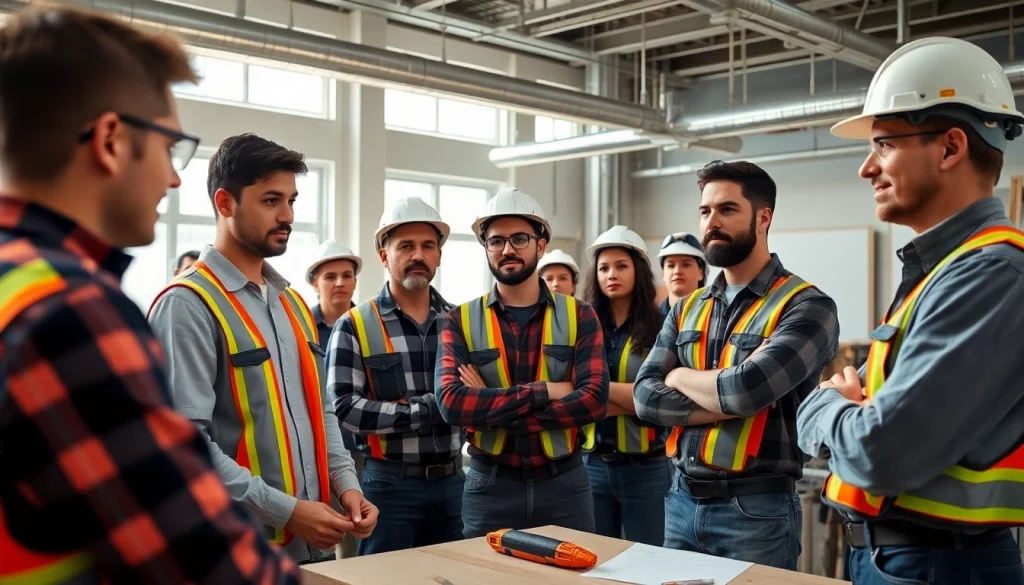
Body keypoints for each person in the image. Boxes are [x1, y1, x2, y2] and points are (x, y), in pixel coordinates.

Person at [0, 5, 300, 583]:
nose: (174, 177)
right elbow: (202, 561)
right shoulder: (69, 311)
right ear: (111, 140)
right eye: (169, 146)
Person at [797, 37, 1024, 585]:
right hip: (902, 559)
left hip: (939, 564)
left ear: (949, 148)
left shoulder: (991, 274)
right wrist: (850, 416)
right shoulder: (944, 269)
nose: (865, 169)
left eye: (883, 145)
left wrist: (825, 404)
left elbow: (882, 451)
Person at [148, 133, 377, 564]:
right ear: (225, 203)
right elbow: (183, 446)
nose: (287, 215)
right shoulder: (187, 305)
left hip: (312, 548)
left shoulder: (290, 303)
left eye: (292, 200)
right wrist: (287, 512)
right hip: (233, 554)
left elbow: (320, 411)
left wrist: (347, 486)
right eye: (271, 200)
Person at [633, 160, 840, 569]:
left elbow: (745, 391)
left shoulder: (807, 306)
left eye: (727, 210)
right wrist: (721, 403)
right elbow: (644, 399)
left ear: (763, 218)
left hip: (756, 511)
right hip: (680, 500)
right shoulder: (688, 308)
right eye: (705, 211)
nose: (712, 222)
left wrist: (678, 376)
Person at [435, 187, 610, 538]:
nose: (507, 249)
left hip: (565, 485)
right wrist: (547, 390)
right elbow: (451, 403)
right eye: (496, 241)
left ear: (540, 245)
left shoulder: (580, 315)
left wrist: (495, 410)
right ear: (485, 249)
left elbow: (593, 400)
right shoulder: (460, 319)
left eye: (519, 239)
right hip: (491, 487)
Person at [327, 197, 464, 555]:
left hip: (455, 484)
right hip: (389, 486)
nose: (418, 254)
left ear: (438, 255)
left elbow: (474, 398)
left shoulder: (460, 323)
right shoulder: (355, 325)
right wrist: (430, 410)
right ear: (384, 255)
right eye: (405, 246)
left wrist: (398, 411)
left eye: (428, 246)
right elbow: (345, 408)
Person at [581, 225, 671, 546]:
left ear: (638, 271)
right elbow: (576, 395)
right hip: (591, 466)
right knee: (594, 565)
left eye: (621, 266)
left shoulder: (662, 328)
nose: (611, 274)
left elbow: (664, 400)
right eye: (603, 268)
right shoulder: (584, 326)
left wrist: (594, 395)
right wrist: (636, 397)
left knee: (651, 565)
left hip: (648, 469)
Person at [305, 240, 362, 558]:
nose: (340, 283)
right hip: (316, 450)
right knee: (326, 542)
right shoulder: (300, 328)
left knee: (360, 534)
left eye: (346, 275)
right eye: (330, 276)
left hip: (363, 448)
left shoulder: (369, 326)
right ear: (315, 282)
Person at [656, 232, 706, 317]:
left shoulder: (715, 317)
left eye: (686, 265)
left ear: (701, 273)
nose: (677, 271)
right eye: (671, 265)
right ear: (663, 274)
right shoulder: (649, 322)